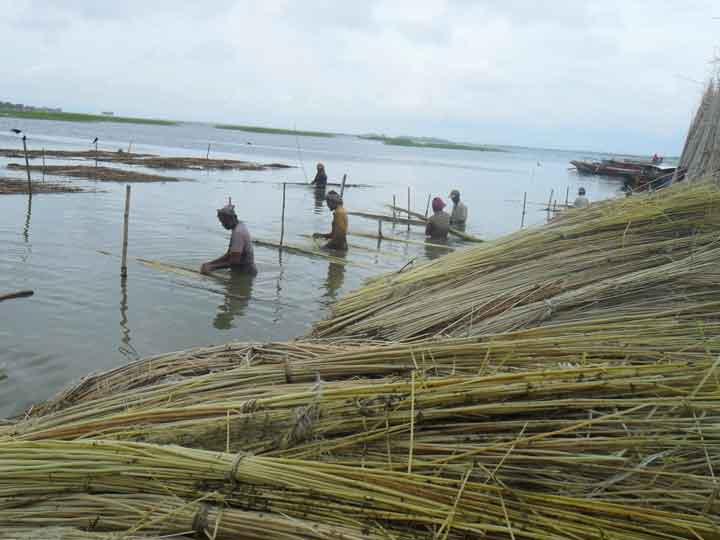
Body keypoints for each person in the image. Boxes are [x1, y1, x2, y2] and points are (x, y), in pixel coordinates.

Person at [201, 203, 257, 275]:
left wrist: (212, 267)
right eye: (221, 222)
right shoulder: (240, 226)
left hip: (245, 274)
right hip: (243, 271)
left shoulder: (238, 232)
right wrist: (210, 263)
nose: (223, 224)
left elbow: (234, 261)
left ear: (233, 218)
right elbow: (230, 255)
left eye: (225, 221)